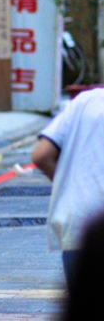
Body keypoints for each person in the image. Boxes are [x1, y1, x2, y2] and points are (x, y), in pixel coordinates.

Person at [31, 87, 104, 292]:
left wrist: (70, 188)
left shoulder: (85, 101)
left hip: (78, 221)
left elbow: (41, 155)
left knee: (86, 306)